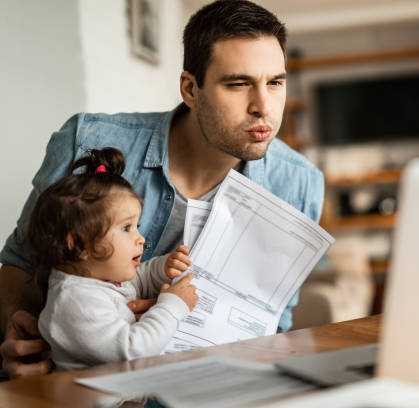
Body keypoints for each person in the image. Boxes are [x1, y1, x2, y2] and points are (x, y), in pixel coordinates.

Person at [0, 0, 324, 379]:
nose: (263, 106)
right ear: (190, 89)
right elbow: (20, 265)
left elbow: (274, 322)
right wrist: (17, 333)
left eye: (275, 82)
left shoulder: (299, 184)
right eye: (238, 84)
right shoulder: (87, 142)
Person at [30, 147, 198, 370]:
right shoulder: (76, 301)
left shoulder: (100, 277)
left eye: (137, 226)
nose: (141, 238)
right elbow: (132, 350)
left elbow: (137, 280)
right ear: (80, 245)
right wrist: (172, 307)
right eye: (127, 227)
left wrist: (164, 269)